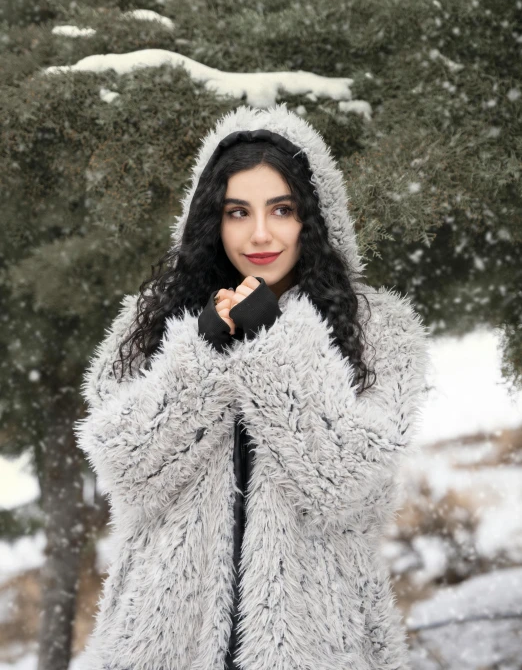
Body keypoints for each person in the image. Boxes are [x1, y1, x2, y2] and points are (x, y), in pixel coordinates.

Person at [75, 102, 430, 670]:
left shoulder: (377, 330)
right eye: (237, 211)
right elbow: (130, 469)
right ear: (211, 220)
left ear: (312, 218)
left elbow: (340, 481)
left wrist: (275, 339)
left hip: (319, 643)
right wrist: (204, 351)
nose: (259, 234)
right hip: (160, 642)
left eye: (281, 209)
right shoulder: (157, 324)